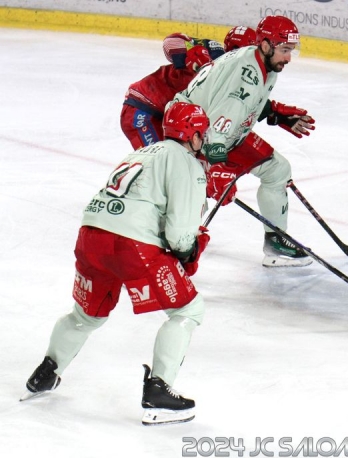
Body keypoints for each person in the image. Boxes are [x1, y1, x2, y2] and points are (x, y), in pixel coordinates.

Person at [23, 102, 212, 425]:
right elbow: (180, 235)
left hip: (90, 236)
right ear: (192, 134)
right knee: (187, 310)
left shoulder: (140, 154)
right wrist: (191, 248)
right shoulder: (185, 161)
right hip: (130, 244)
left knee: (86, 315)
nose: (203, 139)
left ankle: (47, 371)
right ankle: (159, 392)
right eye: (201, 133)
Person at [172, 16, 317, 267]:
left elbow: (239, 108)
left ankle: (275, 243)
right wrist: (216, 167)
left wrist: (274, 115)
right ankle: (175, 251)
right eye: (284, 50)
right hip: (191, 137)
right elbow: (218, 121)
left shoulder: (262, 63)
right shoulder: (246, 73)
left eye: (290, 51)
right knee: (196, 193)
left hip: (215, 132)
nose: (288, 58)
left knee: (277, 169)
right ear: (265, 45)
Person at [120, 33, 222, 149]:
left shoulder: (221, 75)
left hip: (163, 114)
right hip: (141, 110)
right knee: (159, 160)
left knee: (175, 157)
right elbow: (171, 42)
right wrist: (193, 45)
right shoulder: (198, 63)